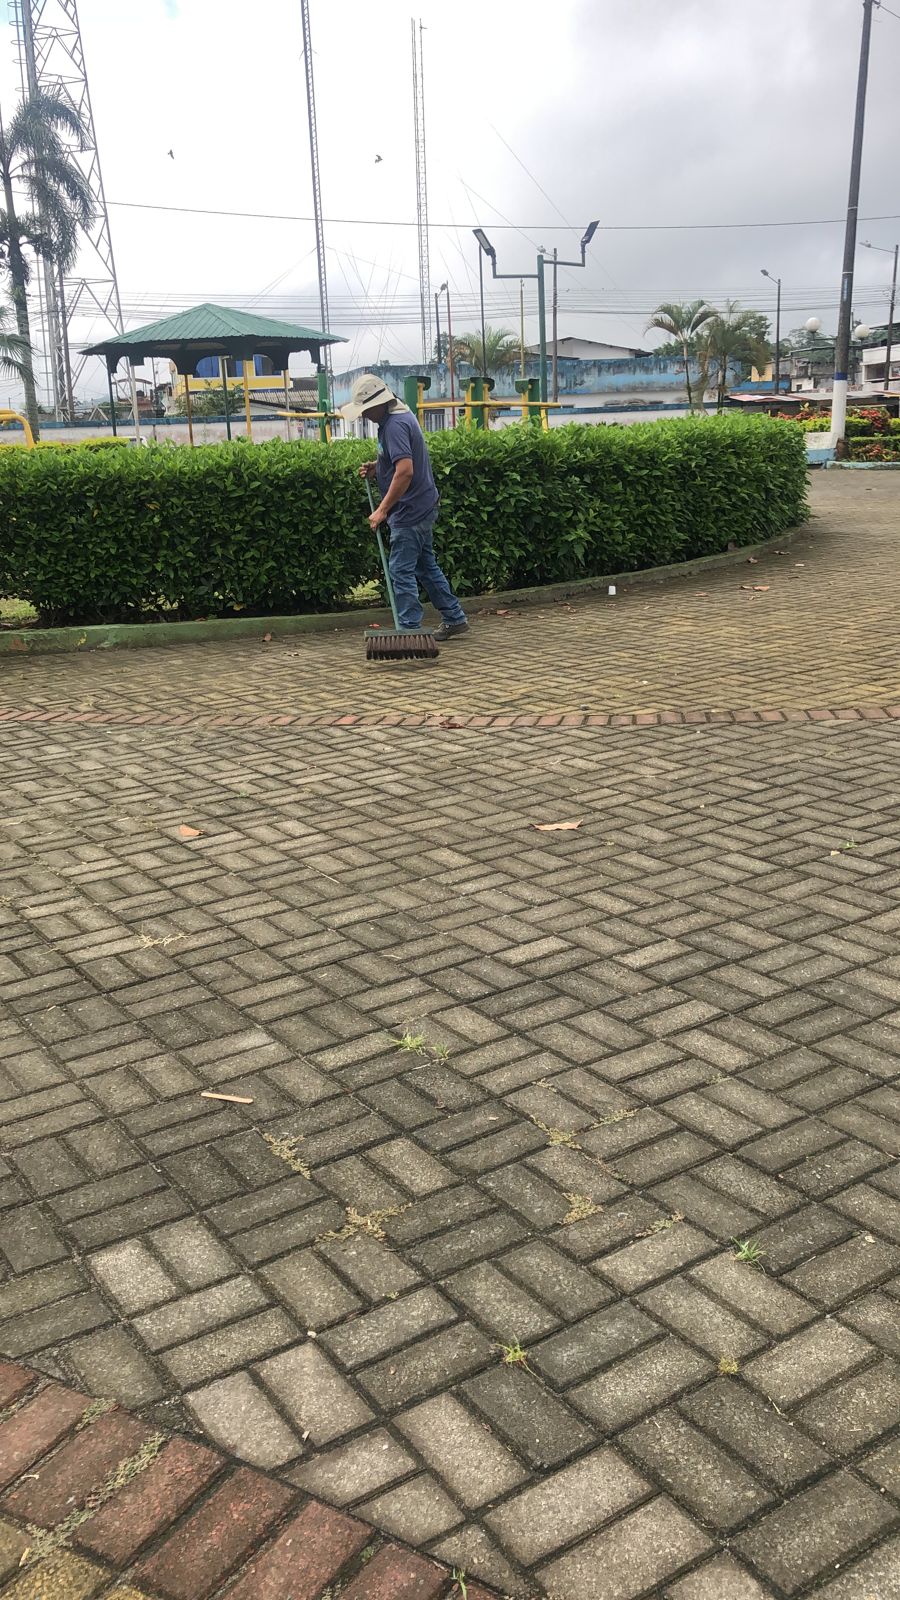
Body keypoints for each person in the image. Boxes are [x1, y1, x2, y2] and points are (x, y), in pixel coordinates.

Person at [340, 374, 468, 641]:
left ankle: (409, 631)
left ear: (379, 404)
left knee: (401, 570)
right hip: (421, 505)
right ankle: (454, 618)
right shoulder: (398, 416)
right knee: (425, 567)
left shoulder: (394, 425)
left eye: (366, 409)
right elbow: (401, 459)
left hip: (410, 511)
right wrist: (378, 467)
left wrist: (382, 509)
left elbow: (406, 471)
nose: (364, 415)